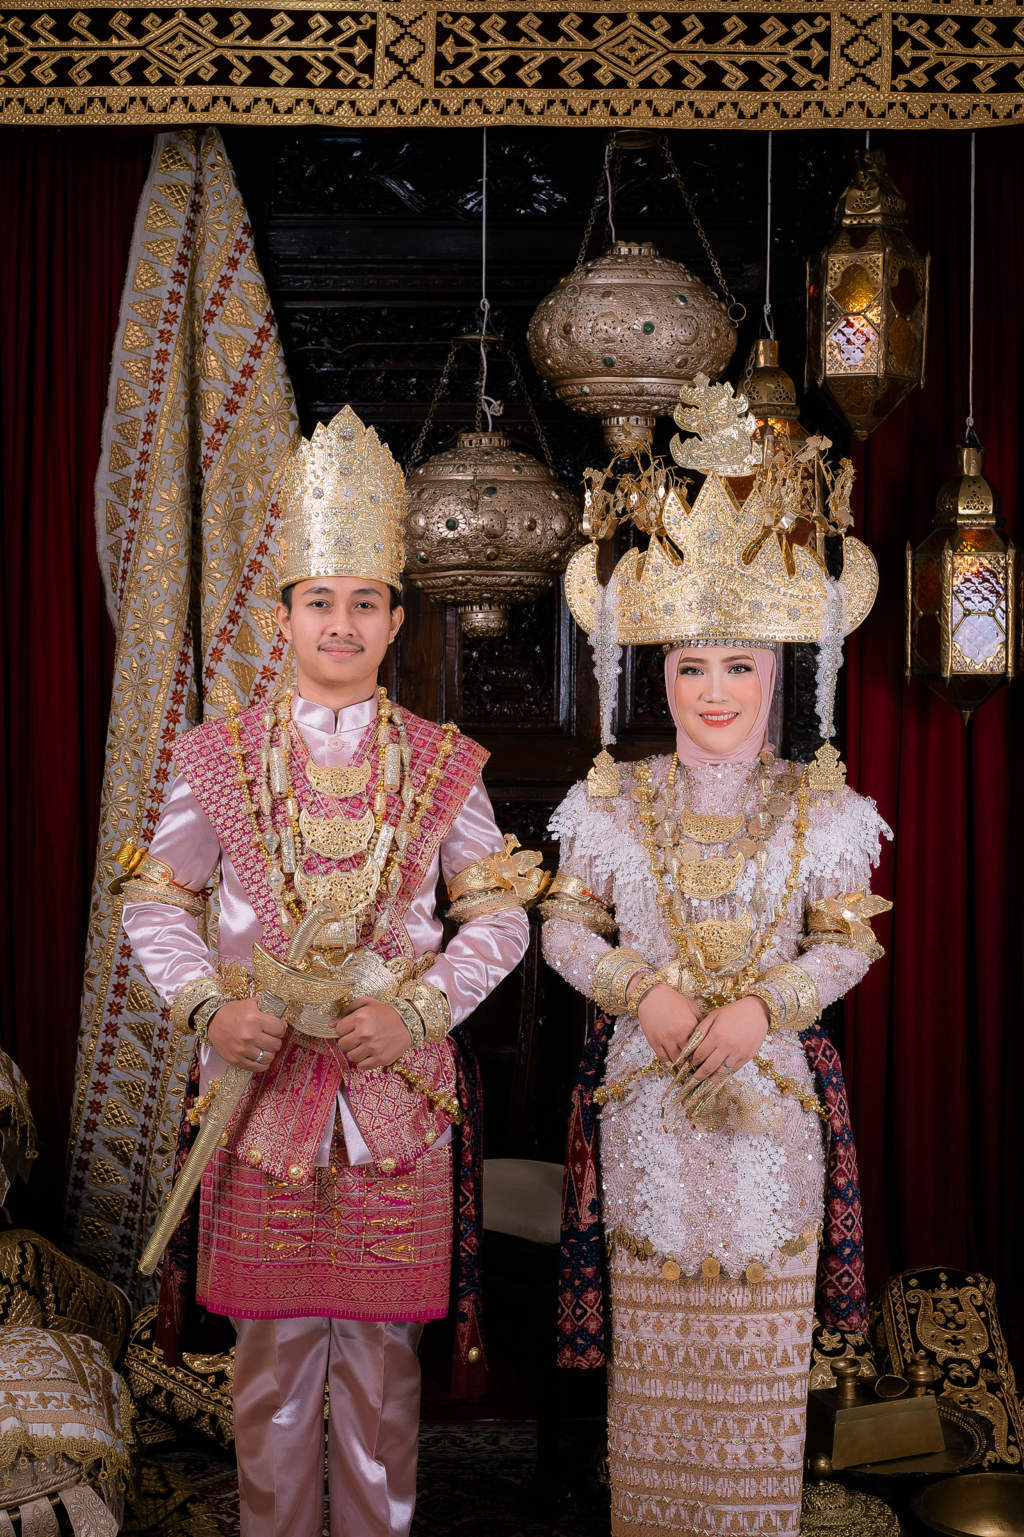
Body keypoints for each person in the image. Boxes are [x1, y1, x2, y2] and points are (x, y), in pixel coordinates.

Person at [121, 406, 540, 1537]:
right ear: (284, 616)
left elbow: (499, 916)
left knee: (382, 1372)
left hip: (396, 1103)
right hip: (259, 1097)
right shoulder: (216, 759)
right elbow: (156, 898)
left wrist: (420, 1010)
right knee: (267, 1371)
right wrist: (208, 1007)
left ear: (396, 617)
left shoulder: (444, 763)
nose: (341, 623)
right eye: (320, 601)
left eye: (364, 602)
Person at [541, 389, 891, 1537]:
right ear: (663, 675)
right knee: (653, 1368)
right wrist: (642, 992)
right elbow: (562, 930)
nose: (715, 692)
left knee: (757, 1358)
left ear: (774, 672)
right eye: (692, 666)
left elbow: (847, 940)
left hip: (766, 1105)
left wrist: (761, 1012)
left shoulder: (822, 805)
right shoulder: (611, 798)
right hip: (647, 1106)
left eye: (738, 666)